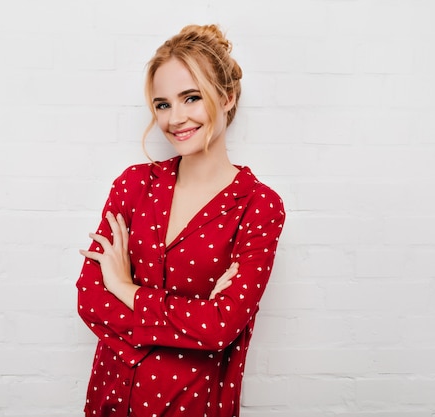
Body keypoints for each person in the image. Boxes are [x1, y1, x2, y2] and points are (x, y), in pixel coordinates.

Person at [76, 23, 286, 417]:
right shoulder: (134, 185)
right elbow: (90, 298)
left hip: (192, 404)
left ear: (226, 97)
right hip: (110, 400)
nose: (175, 118)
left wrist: (124, 287)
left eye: (191, 98)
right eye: (162, 104)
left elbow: (221, 327)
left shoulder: (259, 206)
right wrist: (193, 321)